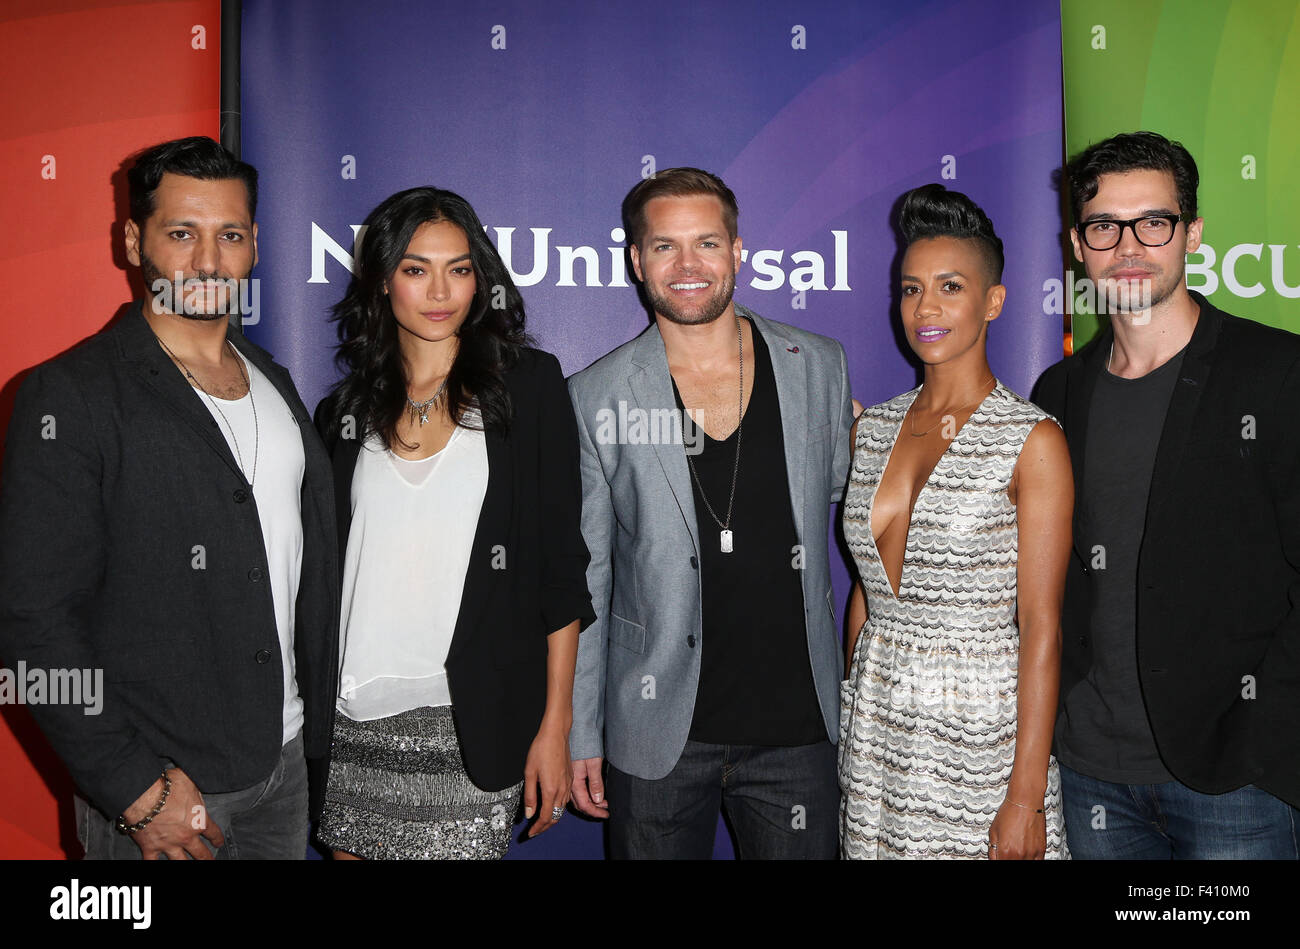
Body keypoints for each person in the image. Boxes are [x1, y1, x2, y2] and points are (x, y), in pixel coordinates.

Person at [0, 136, 339, 859]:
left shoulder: (274, 380)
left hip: (283, 767)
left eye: (231, 235)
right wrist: (133, 787)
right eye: (182, 233)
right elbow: (31, 620)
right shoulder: (72, 394)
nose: (209, 261)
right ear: (133, 240)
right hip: (165, 787)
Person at [567, 168, 855, 859]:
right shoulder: (595, 393)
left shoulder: (818, 365)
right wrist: (582, 731)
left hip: (798, 730)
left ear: (738, 249)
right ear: (637, 261)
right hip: (657, 732)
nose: (689, 266)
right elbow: (589, 580)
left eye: (707, 243)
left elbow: (858, 507)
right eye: (665, 247)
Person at [1032, 131, 1300, 859]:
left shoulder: (1275, 372)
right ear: (1077, 244)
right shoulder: (1059, 393)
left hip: (1232, 782)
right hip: (1090, 772)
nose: (1129, 245)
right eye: (1104, 226)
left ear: (1193, 234)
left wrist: (1262, 736)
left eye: (1154, 222)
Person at [312, 186, 594, 860]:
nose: (440, 289)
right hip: (352, 717)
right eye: (416, 269)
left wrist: (556, 724)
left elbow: (560, 567)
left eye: (459, 268)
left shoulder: (529, 388)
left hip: (474, 718)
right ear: (382, 283)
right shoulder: (340, 414)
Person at [839, 184, 1072, 859]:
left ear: (993, 301)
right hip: (878, 727)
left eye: (949, 286)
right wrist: (856, 699)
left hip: (979, 734)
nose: (925, 308)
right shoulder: (875, 427)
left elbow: (1043, 628)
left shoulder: (1031, 440)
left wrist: (1024, 793)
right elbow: (868, 589)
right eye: (911, 289)